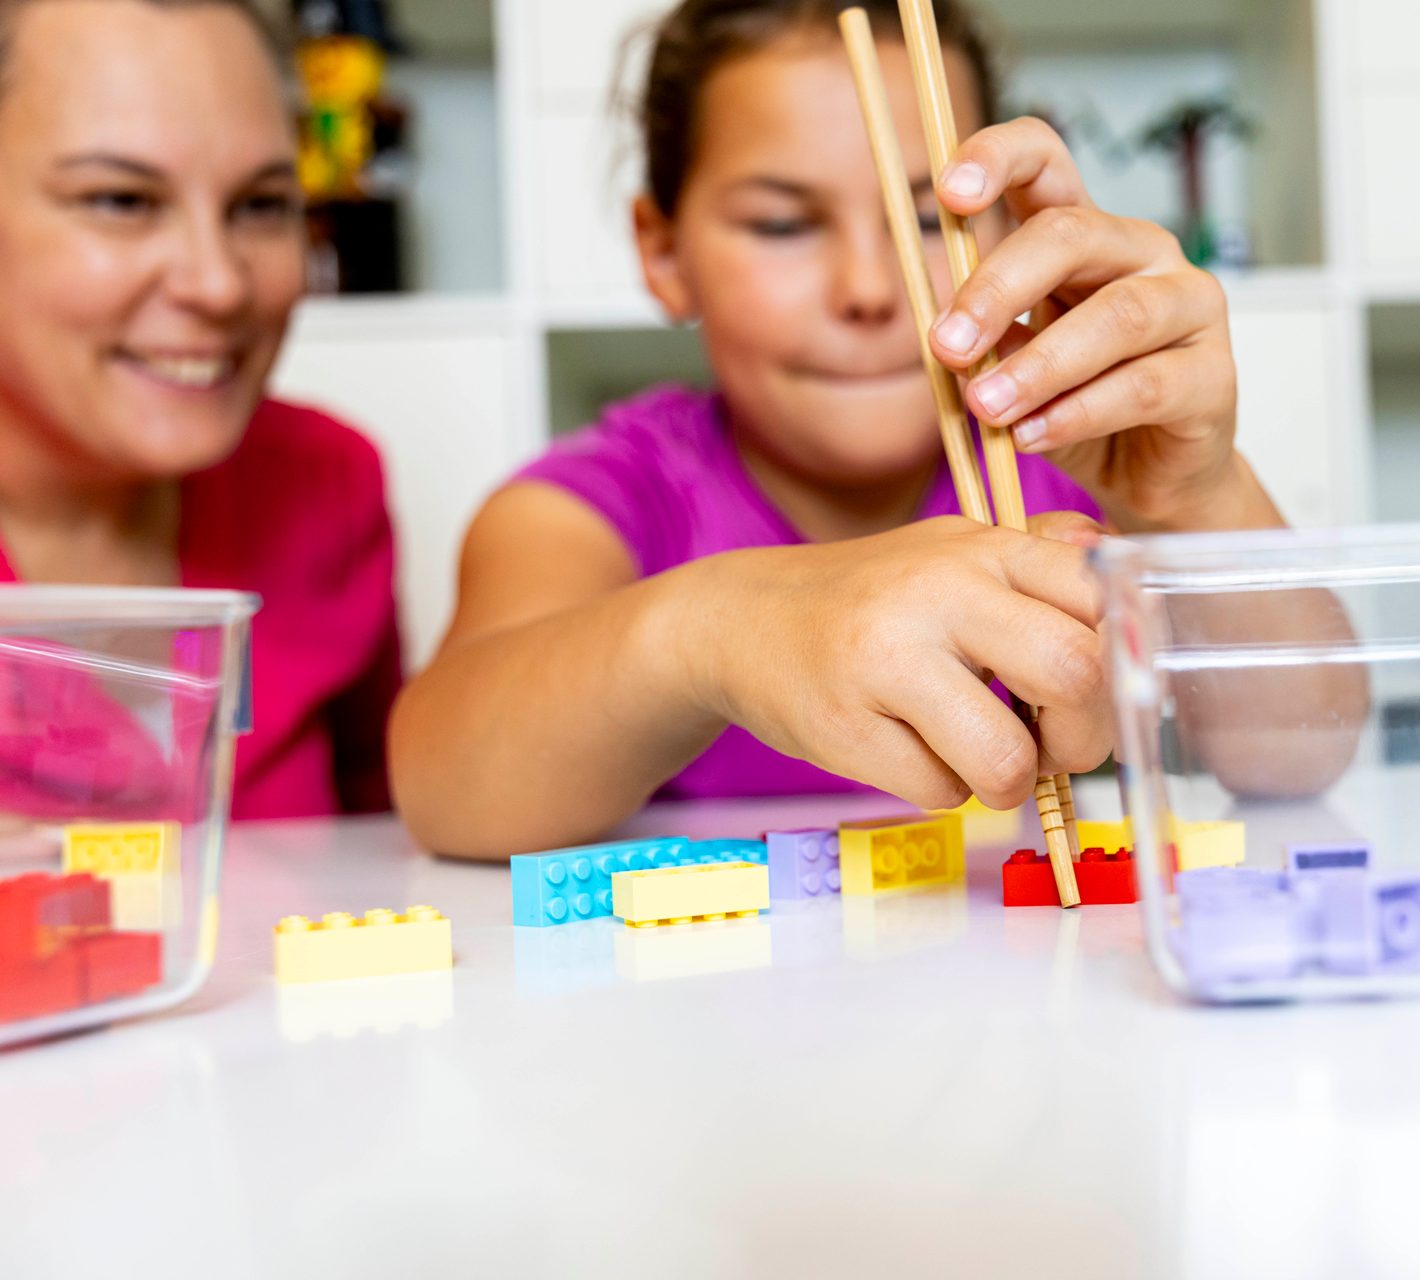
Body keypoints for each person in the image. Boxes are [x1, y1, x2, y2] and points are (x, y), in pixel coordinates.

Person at [390, 0, 1363, 859]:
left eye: (930, 220)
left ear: (1008, 228)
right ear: (662, 247)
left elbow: (1302, 750)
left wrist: (1188, 496)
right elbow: (444, 780)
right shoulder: (604, 499)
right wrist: (718, 626)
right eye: (782, 224)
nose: (868, 290)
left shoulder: (1070, 466)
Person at [0, 0, 402, 819]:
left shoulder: (327, 487)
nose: (219, 283)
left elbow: (392, 862)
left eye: (260, 205)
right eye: (121, 201)